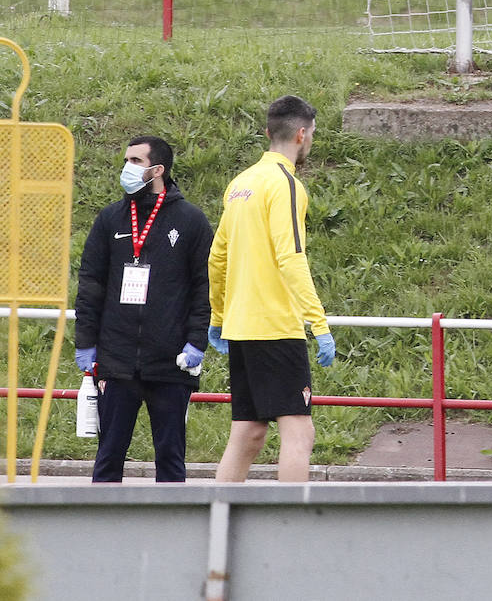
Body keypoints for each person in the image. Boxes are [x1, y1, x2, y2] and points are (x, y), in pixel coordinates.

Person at [207, 95, 335, 483]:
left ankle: (219, 519)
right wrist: (319, 323)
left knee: (247, 432)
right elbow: (291, 257)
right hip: (277, 326)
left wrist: (218, 315)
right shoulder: (286, 185)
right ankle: (290, 531)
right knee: (299, 431)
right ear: (302, 134)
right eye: (311, 134)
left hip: (241, 327)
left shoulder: (241, 183)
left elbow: (217, 257)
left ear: (267, 133)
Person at [74, 135, 213, 482]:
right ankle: (103, 529)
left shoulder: (191, 221)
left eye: (135, 162)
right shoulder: (110, 220)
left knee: (170, 458)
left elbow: (205, 287)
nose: (127, 168)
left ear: (158, 170)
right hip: (117, 361)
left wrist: (197, 341)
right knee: (108, 458)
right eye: (127, 160)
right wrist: (86, 343)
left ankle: (173, 532)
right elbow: (90, 285)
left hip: (170, 363)